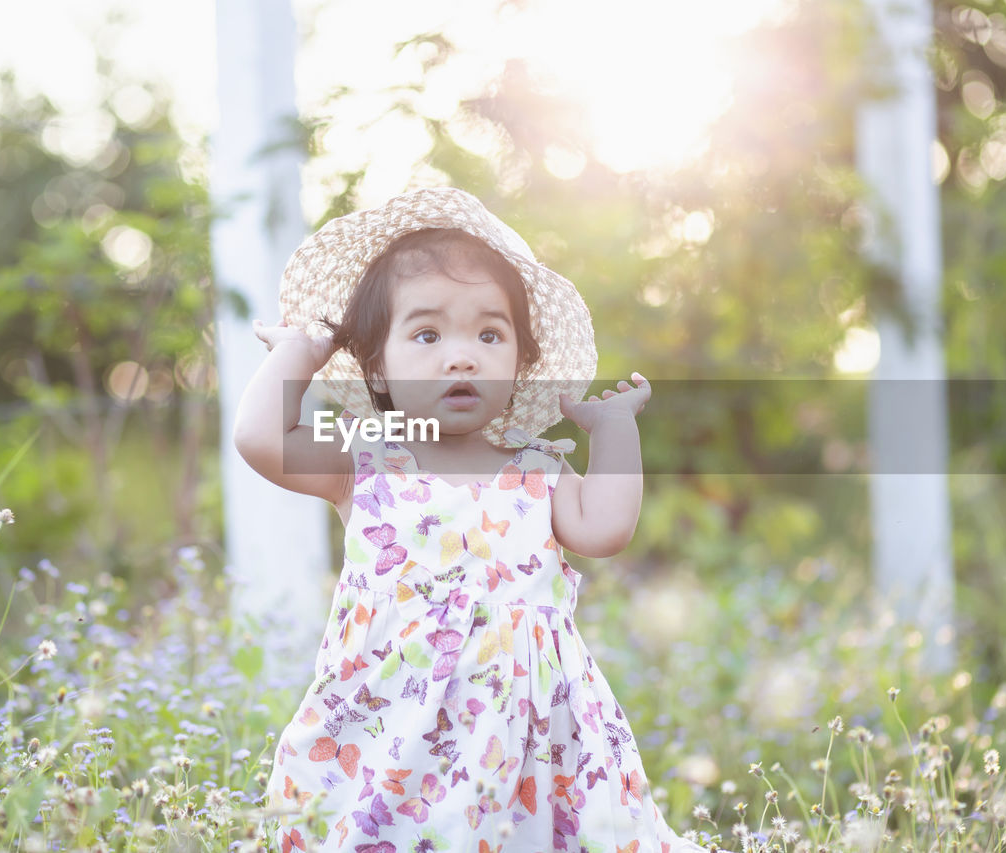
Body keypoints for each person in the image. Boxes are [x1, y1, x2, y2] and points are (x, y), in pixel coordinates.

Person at [234, 187, 706, 852]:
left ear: (520, 365)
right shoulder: (365, 459)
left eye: (490, 334)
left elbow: (606, 529)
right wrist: (297, 354)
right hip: (394, 726)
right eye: (427, 334)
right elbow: (260, 438)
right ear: (377, 364)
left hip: (526, 735)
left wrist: (615, 430)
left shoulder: (538, 468)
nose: (462, 356)